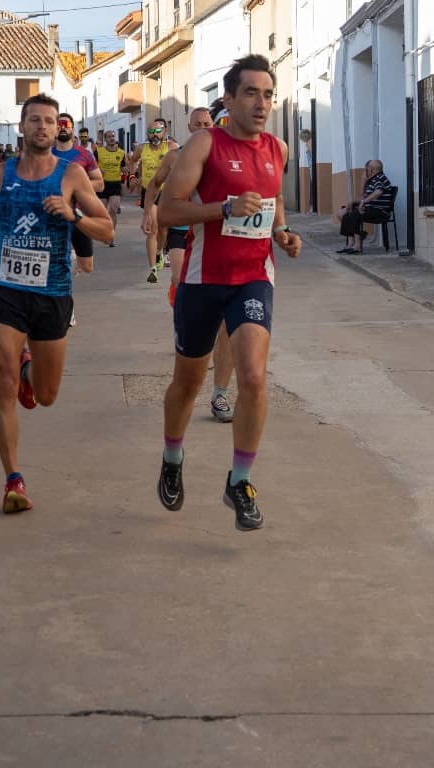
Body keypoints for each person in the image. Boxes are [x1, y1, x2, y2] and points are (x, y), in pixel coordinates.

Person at [0, 93, 114, 514]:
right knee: (1, 381)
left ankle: (28, 370)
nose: (42, 126)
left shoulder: (71, 174)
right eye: (34, 120)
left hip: (53, 292)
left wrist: (73, 216)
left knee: (46, 394)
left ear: (59, 129)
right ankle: (13, 480)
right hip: (6, 288)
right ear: (21, 127)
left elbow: (107, 230)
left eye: (49, 121)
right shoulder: (0, 173)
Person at [156, 54, 301, 531]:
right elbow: (169, 211)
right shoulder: (204, 144)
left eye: (268, 95)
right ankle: (173, 457)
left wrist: (281, 232)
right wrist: (223, 208)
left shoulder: (278, 148)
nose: (262, 104)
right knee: (188, 384)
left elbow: (274, 199)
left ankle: (240, 481)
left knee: (253, 377)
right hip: (203, 279)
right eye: (251, 93)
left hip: (253, 277)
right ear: (230, 99)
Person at [142, 105, 236, 423]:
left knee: (226, 322)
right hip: (182, 233)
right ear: (189, 126)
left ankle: (220, 394)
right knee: (180, 280)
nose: (203, 128)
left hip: (219, 241)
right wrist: (149, 211)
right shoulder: (176, 156)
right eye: (197, 124)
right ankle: (184, 317)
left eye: (207, 123)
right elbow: (154, 183)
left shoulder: (227, 157)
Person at [129, 117, 178, 282]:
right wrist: (132, 176)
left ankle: (159, 252)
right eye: (151, 132)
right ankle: (153, 268)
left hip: (166, 192)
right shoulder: (141, 148)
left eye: (158, 131)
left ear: (164, 132)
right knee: (152, 229)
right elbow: (133, 161)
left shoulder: (172, 147)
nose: (154, 135)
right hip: (149, 192)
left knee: (163, 230)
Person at [52, 112, 104, 265]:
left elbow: (100, 184)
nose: (62, 128)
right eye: (59, 125)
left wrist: (76, 187)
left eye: (66, 125)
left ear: (72, 130)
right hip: (52, 215)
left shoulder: (84, 155)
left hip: (79, 214)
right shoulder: (45, 154)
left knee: (87, 265)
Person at [335, 160, 394, 254]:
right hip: (371, 209)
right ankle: (350, 244)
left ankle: (357, 246)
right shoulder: (372, 180)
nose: (365, 170)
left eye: (366, 168)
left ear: (371, 169)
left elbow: (378, 192)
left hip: (380, 211)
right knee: (346, 214)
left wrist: (364, 202)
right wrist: (363, 181)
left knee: (353, 214)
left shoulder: (380, 178)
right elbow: (363, 196)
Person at [95, 130, 127, 246]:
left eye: (113, 136)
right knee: (102, 212)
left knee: (113, 209)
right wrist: (99, 170)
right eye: (109, 137)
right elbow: (91, 166)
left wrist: (125, 170)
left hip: (115, 184)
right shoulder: (98, 152)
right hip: (103, 184)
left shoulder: (121, 153)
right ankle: (103, 231)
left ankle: (111, 237)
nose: (112, 138)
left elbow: (123, 167)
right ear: (105, 139)